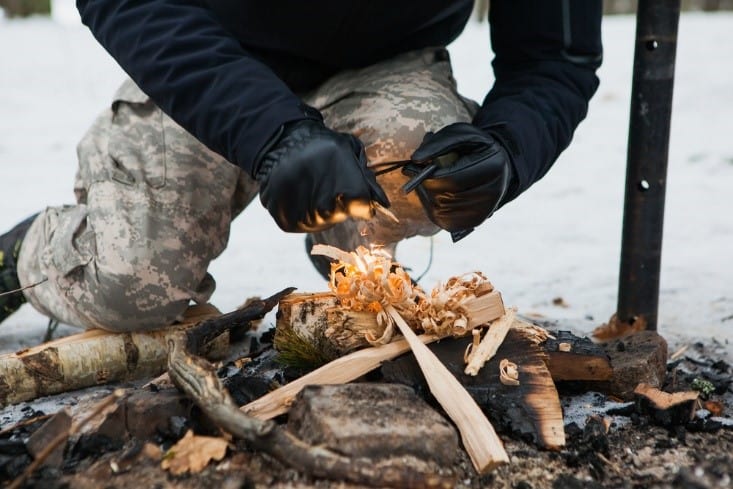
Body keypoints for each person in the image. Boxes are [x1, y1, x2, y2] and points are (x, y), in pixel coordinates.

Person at [0, 1, 602, 332]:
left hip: (385, 67)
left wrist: (507, 151)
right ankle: (27, 252)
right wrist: (272, 134)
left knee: (426, 181)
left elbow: (557, 57)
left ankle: (345, 236)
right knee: (133, 282)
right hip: (209, 55)